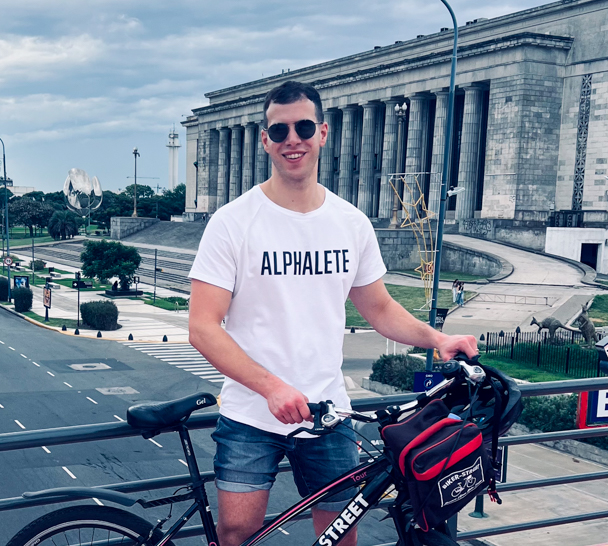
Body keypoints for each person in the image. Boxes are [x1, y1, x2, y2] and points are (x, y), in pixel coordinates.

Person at [188, 80, 478, 546]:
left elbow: (379, 308)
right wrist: (271, 387)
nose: (292, 140)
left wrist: (438, 339)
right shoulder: (233, 222)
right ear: (265, 140)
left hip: (328, 413)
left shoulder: (351, 222)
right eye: (278, 131)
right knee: (237, 533)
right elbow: (202, 327)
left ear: (323, 132)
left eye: (303, 127)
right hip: (251, 414)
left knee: (340, 537)